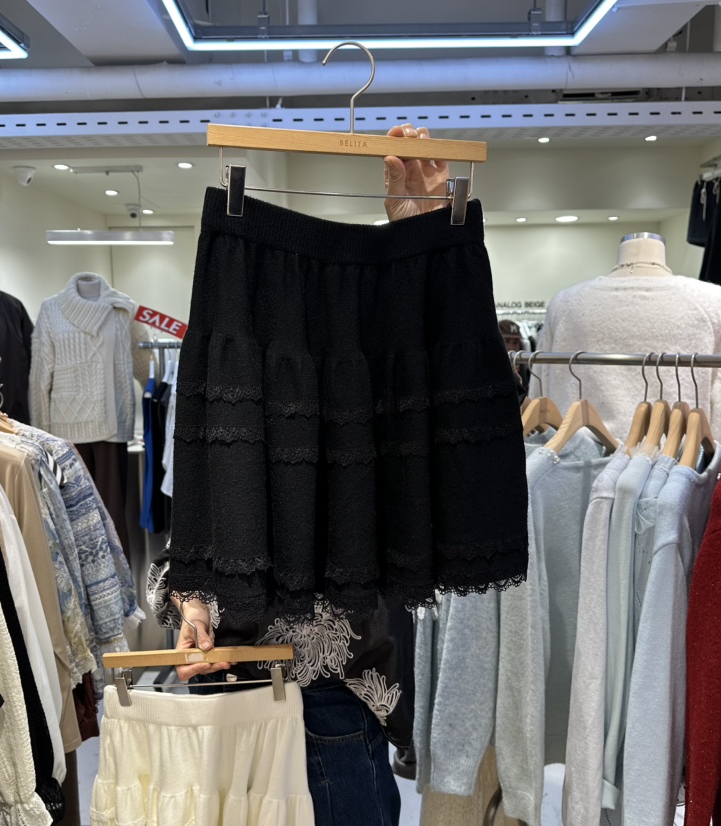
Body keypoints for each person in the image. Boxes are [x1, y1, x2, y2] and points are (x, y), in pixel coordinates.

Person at [155, 123, 450, 826]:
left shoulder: (244, 370)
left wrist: (421, 238)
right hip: (255, 681)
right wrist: (190, 609)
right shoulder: (226, 370)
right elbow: (192, 528)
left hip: (323, 691)